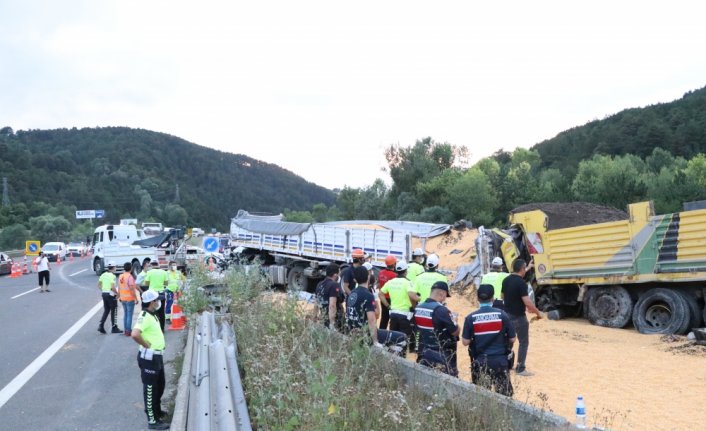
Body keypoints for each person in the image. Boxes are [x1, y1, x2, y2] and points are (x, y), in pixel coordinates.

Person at [462, 284, 516, 397]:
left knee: (481, 396)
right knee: (505, 396)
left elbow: (465, 342)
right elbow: (512, 338)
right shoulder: (502, 315)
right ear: (492, 298)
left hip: (480, 361)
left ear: (477, 298)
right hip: (500, 362)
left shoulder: (470, 318)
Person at [132, 289, 170, 430]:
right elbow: (135, 334)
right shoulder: (144, 316)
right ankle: (152, 420)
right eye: (157, 300)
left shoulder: (152, 314)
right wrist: (145, 344)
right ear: (152, 302)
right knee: (150, 389)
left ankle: (157, 411)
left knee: (160, 386)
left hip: (157, 356)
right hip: (150, 357)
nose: (159, 301)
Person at [347, 266, 407, 355]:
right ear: (368, 277)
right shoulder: (368, 295)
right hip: (365, 333)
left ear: (355, 279)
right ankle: (391, 360)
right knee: (402, 337)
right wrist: (375, 342)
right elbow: (372, 320)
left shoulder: (352, 293)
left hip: (354, 332)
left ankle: (387, 354)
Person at [501, 258, 542, 376]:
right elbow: (527, 301)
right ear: (522, 269)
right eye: (525, 268)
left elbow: (503, 296)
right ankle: (520, 368)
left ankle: (506, 365)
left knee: (508, 341)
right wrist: (537, 312)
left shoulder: (506, 280)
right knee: (523, 342)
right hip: (519, 317)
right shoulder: (521, 283)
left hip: (507, 315)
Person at [414, 281, 460, 376]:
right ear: (442, 293)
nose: (444, 299)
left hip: (425, 350)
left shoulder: (418, 307)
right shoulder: (441, 310)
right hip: (442, 353)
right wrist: (455, 321)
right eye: (445, 296)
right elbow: (455, 332)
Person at [377, 260, 418, 356]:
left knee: (393, 340)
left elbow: (380, 294)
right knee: (403, 340)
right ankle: (401, 358)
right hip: (405, 316)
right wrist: (414, 306)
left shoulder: (391, 282)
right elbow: (411, 295)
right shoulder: (408, 282)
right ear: (405, 271)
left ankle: (392, 358)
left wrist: (387, 306)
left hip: (393, 315)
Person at [314, 263, 345, 331]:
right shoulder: (334, 285)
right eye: (339, 273)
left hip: (323, 318)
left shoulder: (319, 284)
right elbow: (332, 305)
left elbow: (316, 303)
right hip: (335, 319)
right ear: (335, 275)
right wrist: (332, 324)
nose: (339, 275)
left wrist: (314, 318)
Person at [97, 262, 121, 334]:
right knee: (114, 310)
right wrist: (117, 293)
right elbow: (113, 287)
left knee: (106, 310)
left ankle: (101, 325)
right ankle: (114, 327)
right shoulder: (112, 276)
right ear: (113, 268)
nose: (115, 269)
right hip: (111, 295)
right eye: (115, 267)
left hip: (104, 294)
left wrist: (104, 290)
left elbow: (99, 285)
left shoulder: (103, 275)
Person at [144, 261, 168, 331]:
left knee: (154, 311)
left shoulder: (149, 272)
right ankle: (162, 329)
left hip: (152, 295)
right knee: (162, 312)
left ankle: (155, 328)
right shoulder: (164, 272)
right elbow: (166, 283)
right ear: (158, 264)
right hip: (161, 294)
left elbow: (146, 283)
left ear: (151, 265)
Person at [118, 262, 141, 336]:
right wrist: (136, 298)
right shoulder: (130, 277)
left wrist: (119, 296)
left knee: (126, 314)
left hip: (123, 298)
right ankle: (128, 331)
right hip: (129, 298)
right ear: (131, 268)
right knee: (129, 315)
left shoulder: (121, 276)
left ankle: (126, 330)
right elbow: (131, 289)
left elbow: (119, 287)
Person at [377, 255, 398, 330]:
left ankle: (381, 333)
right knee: (392, 319)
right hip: (391, 299)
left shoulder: (381, 273)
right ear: (394, 264)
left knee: (384, 318)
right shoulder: (395, 275)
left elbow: (379, 284)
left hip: (382, 298)